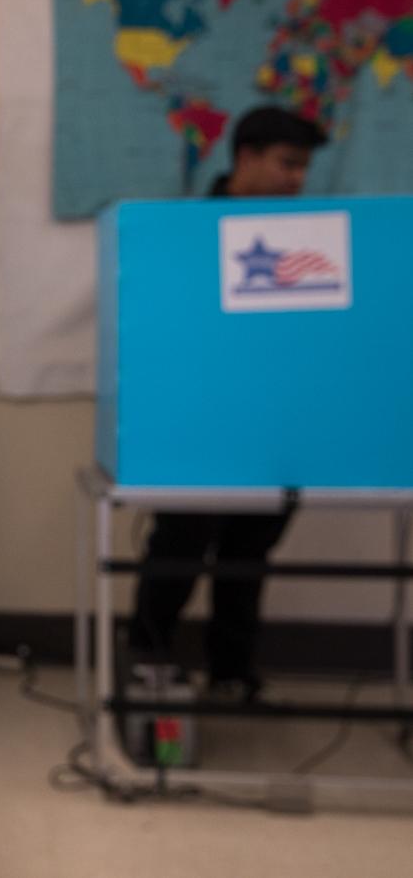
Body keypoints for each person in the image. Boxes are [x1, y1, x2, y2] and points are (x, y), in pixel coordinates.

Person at [128, 106, 328, 701]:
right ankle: (147, 665)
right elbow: (165, 328)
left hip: (273, 427)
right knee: (180, 549)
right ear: (245, 159)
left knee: (247, 557)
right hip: (201, 426)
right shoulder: (191, 235)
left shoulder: (308, 246)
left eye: (303, 168)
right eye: (286, 163)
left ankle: (232, 674)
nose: (296, 180)